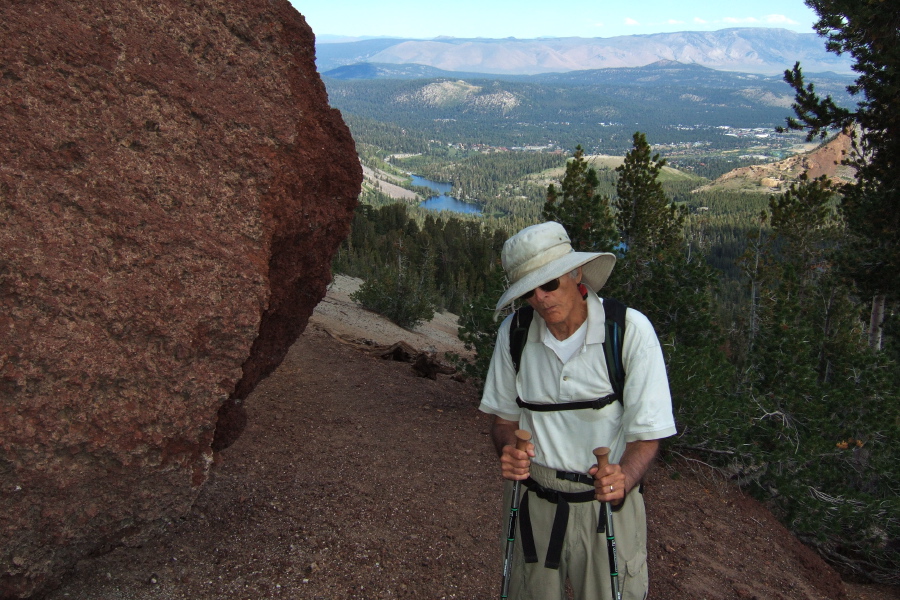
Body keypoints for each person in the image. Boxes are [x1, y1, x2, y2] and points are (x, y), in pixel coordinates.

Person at [479, 221, 676, 600]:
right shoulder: (515, 333)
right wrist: (508, 449)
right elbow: (504, 420)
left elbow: (647, 435)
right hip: (533, 500)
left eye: (549, 283)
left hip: (606, 507)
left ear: (576, 273)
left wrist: (624, 479)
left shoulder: (629, 332)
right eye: (528, 292)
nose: (540, 298)